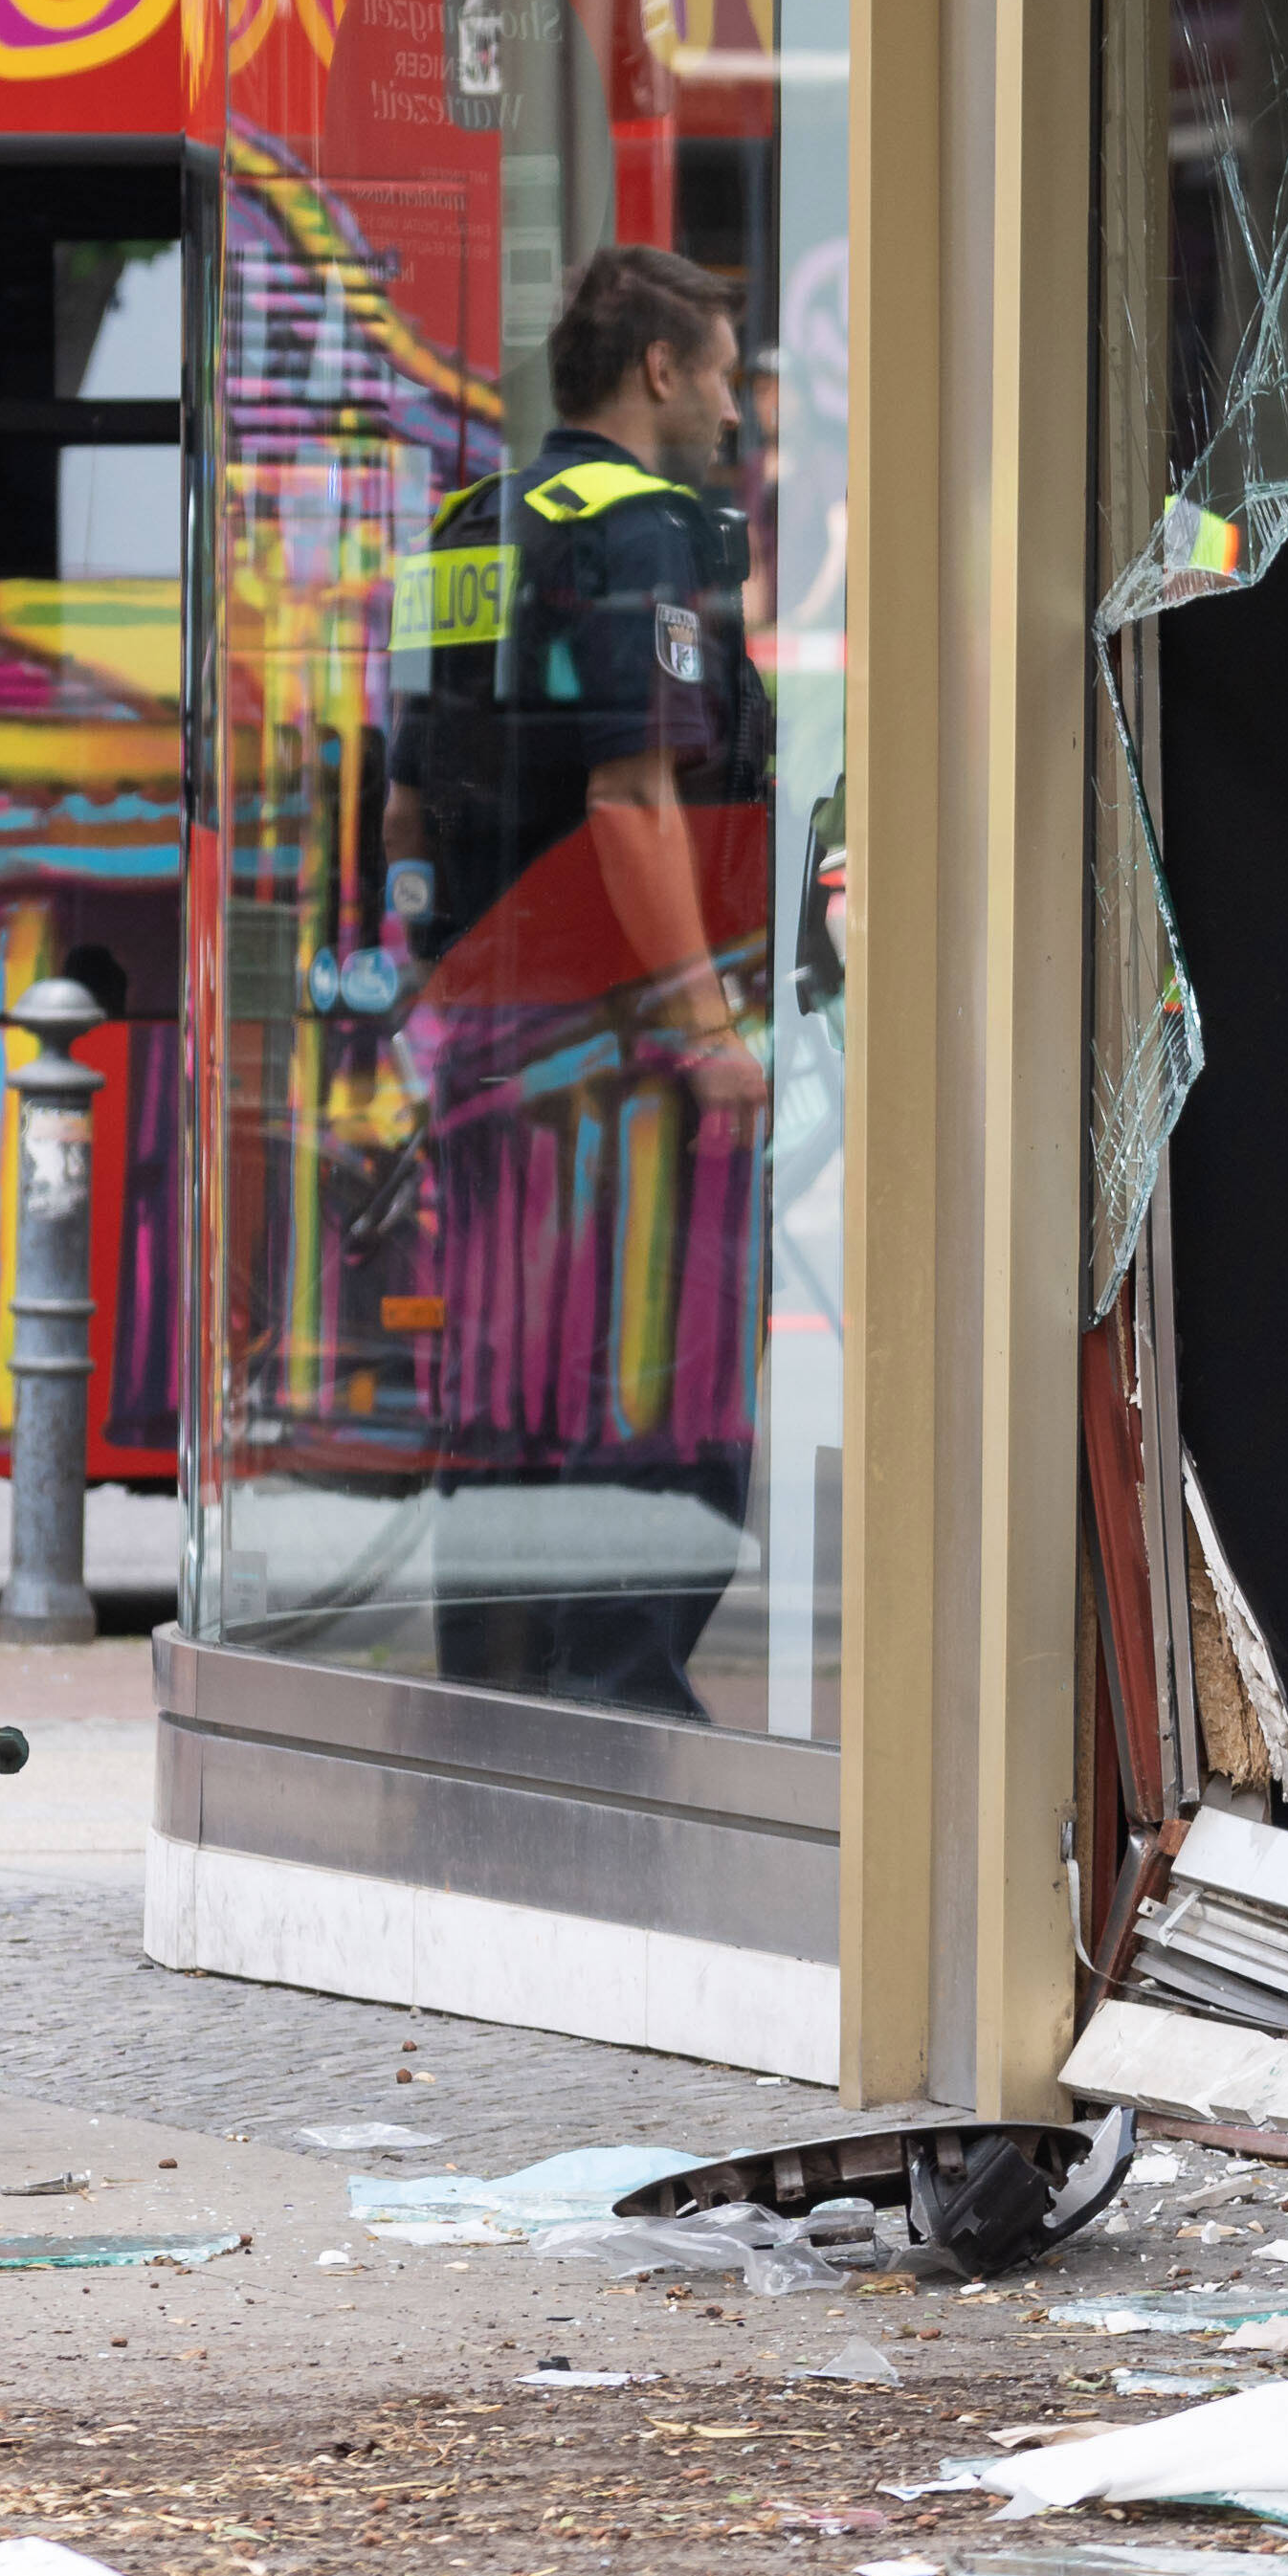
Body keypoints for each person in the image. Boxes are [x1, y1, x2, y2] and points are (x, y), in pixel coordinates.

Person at [410, 244, 774, 1718]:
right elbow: (636, 799)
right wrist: (711, 1032)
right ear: (661, 370)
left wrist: (420, 994)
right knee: (656, 1365)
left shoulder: (467, 523)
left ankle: (492, 1681)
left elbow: (403, 807)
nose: (741, 412)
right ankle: (617, 1689)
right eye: (729, 372)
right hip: (621, 1045)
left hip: (484, 1035)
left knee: (503, 1368)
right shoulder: (650, 533)